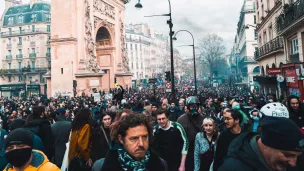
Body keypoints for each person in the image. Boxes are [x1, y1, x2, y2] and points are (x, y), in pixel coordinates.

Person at [218, 117, 304, 171]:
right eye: (288, 155)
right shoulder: (232, 168)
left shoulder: (290, 164)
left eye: (297, 156)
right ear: (266, 145)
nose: (293, 163)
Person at [91, 113, 168, 171]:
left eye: (144, 137)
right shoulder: (101, 166)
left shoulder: (160, 164)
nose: (141, 144)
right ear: (121, 139)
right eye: (134, 139)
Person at [178, 96, 204, 171]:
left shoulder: (203, 119)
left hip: (200, 153)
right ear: (187, 107)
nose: (194, 108)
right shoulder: (181, 119)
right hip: (187, 153)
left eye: (196, 106)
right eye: (192, 106)